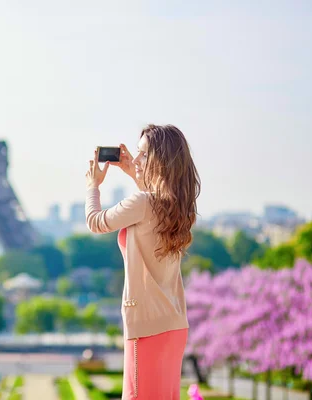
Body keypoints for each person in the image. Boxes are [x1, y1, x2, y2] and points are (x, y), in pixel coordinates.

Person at [85, 124, 201, 399]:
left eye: (143, 155)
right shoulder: (178, 208)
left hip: (147, 325)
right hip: (173, 326)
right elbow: (152, 206)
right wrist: (133, 173)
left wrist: (93, 186)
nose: (136, 160)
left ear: (161, 162)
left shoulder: (143, 204)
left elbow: (95, 222)